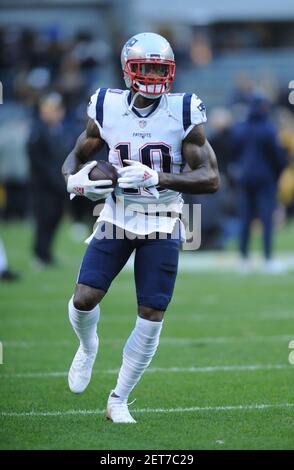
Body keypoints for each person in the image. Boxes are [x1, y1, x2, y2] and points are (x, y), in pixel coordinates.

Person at [62, 32, 219, 423]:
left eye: (158, 68)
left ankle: (119, 398)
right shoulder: (107, 105)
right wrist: (73, 180)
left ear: (170, 71)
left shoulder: (183, 111)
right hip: (116, 215)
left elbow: (211, 178)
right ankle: (87, 344)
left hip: (164, 220)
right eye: (144, 66)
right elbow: (78, 154)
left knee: (151, 313)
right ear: (127, 69)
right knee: (83, 299)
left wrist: (159, 178)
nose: (151, 75)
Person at [232, 94, 287, 273]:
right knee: (266, 219)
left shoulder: (242, 128)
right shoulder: (269, 129)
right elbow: (278, 157)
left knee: (245, 218)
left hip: (246, 177)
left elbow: (235, 151)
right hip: (265, 179)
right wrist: (277, 174)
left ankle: (243, 258)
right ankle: (267, 259)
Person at [27, 93, 71, 266]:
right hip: (44, 186)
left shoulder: (63, 130)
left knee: (55, 218)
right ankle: (40, 254)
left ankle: (47, 253)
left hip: (58, 186)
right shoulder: (37, 131)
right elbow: (39, 161)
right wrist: (56, 180)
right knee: (44, 219)